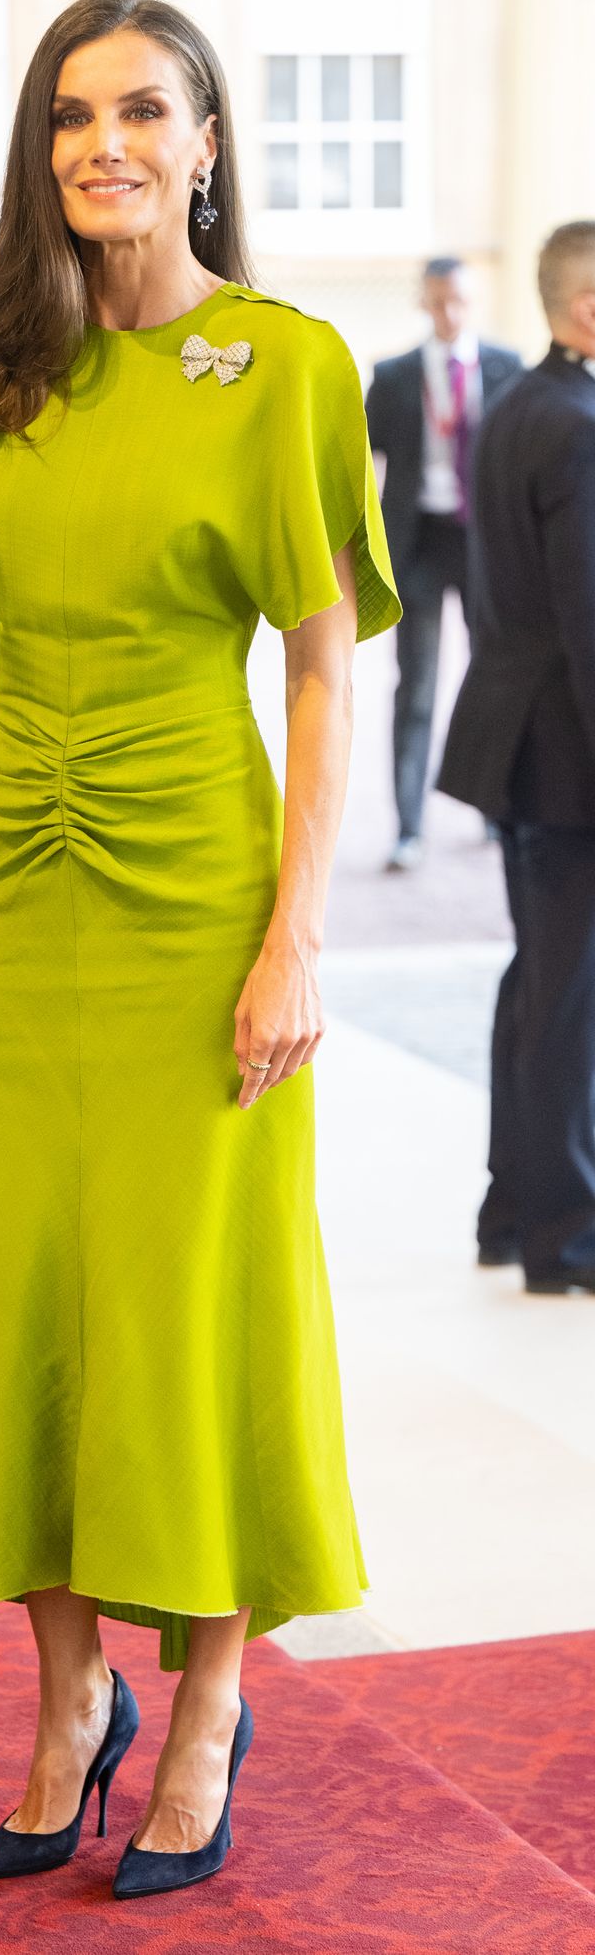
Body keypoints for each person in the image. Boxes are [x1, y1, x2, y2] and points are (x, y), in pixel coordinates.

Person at [0, 0, 400, 1901]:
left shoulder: (284, 366)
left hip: (198, 911)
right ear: (41, 150)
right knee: (25, 1312)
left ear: (200, 145)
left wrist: (297, 943)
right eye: (69, 115)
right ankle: (62, 1698)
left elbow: (325, 673)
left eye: (141, 112)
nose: (101, 142)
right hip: (23, 917)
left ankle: (203, 1705)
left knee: (191, 1319)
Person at [437, 221, 595, 1296]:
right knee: (569, 996)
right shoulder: (578, 423)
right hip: (565, 755)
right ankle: (564, 1232)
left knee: (539, 982)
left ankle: (509, 1204)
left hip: (515, 741)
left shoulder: (515, 403)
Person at [365, 258, 520, 870]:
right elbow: (359, 462)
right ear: (423, 302)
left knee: (496, 676)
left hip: (486, 544)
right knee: (417, 686)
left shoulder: (509, 368)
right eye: (437, 302)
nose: (448, 313)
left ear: (472, 300)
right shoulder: (395, 375)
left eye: (457, 301)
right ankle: (408, 829)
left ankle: (495, 808)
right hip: (419, 543)